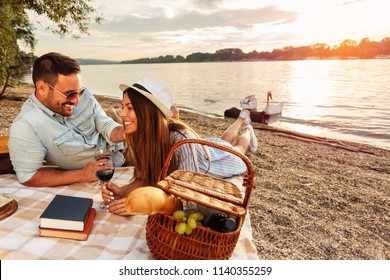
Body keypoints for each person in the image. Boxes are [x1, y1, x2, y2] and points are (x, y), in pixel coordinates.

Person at [102, 75, 258, 216]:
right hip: (206, 149)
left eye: (129, 108)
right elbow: (147, 176)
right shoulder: (143, 136)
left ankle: (247, 129)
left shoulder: (181, 142)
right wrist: (123, 191)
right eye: (123, 107)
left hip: (221, 161)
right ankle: (241, 118)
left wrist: (144, 203)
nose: (121, 114)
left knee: (239, 148)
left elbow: (188, 197)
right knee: (223, 140)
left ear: (148, 111)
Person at [8, 52, 125, 187]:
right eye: (69, 94)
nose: (76, 100)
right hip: (110, 172)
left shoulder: (83, 96)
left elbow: (104, 123)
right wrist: (81, 175)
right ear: (42, 88)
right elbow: (28, 176)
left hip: (127, 149)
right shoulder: (26, 125)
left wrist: (122, 132)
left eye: (78, 92)